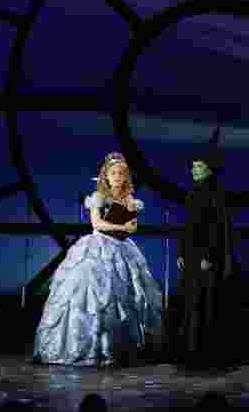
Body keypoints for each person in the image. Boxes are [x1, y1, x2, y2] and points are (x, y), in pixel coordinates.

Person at [33, 152, 163, 366]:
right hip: (100, 245)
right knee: (92, 293)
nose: (118, 176)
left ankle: (122, 347)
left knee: (129, 295)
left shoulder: (130, 200)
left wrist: (129, 227)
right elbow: (97, 224)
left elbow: (133, 224)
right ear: (106, 176)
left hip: (123, 247)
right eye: (114, 173)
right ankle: (89, 348)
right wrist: (122, 227)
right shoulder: (99, 197)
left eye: (122, 173)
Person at [176, 128, 238, 369]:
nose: (193, 171)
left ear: (209, 170)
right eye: (192, 167)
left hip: (206, 257)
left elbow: (217, 228)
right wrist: (181, 252)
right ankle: (190, 350)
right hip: (191, 256)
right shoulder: (192, 194)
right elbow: (187, 226)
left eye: (198, 167)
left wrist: (209, 255)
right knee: (191, 302)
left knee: (207, 303)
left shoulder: (217, 195)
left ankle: (206, 352)